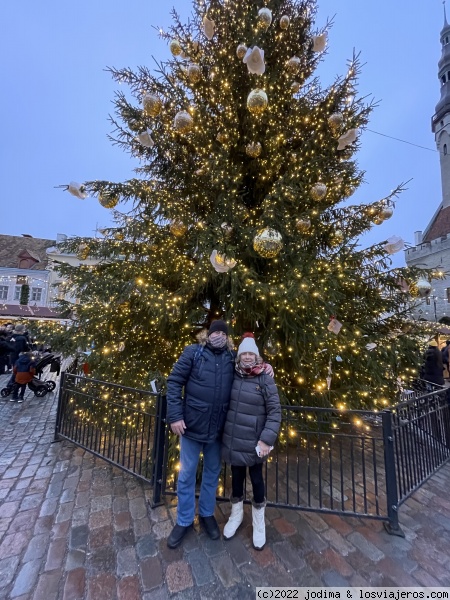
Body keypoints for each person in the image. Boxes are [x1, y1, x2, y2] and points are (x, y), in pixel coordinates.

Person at [165, 320, 273, 549]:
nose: (218, 336)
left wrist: (266, 367)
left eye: (223, 333)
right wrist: (175, 415)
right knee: (186, 475)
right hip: (192, 427)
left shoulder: (230, 358)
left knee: (212, 474)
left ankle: (206, 514)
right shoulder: (193, 353)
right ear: (208, 334)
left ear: (227, 337)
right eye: (215, 332)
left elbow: (250, 366)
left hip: (217, 430)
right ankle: (184, 521)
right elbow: (174, 381)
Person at [221, 333, 281, 550]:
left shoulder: (265, 377)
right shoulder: (232, 373)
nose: (247, 357)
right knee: (236, 479)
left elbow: (274, 411)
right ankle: (235, 517)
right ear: (239, 356)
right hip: (234, 439)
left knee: (256, 480)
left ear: (256, 357)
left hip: (255, 442)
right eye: (244, 353)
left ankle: (258, 524)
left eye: (251, 354)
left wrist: (266, 440)